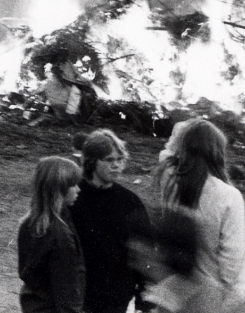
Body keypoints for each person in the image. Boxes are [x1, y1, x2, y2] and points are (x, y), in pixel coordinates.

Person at [156, 119, 245, 300]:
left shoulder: (170, 182)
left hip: (171, 288)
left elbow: (165, 155)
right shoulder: (230, 196)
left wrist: (184, 137)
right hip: (207, 293)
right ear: (217, 152)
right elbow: (232, 261)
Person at [69, 130, 150, 313]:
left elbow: (144, 250)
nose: (117, 166)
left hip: (116, 296)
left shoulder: (130, 202)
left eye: (120, 160)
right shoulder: (73, 196)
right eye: (109, 160)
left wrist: (142, 297)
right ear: (91, 161)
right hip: (78, 294)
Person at [17, 156, 85, 313]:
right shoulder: (61, 235)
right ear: (59, 189)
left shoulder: (29, 223)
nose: (78, 189)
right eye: (73, 185)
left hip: (33, 305)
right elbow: (66, 292)